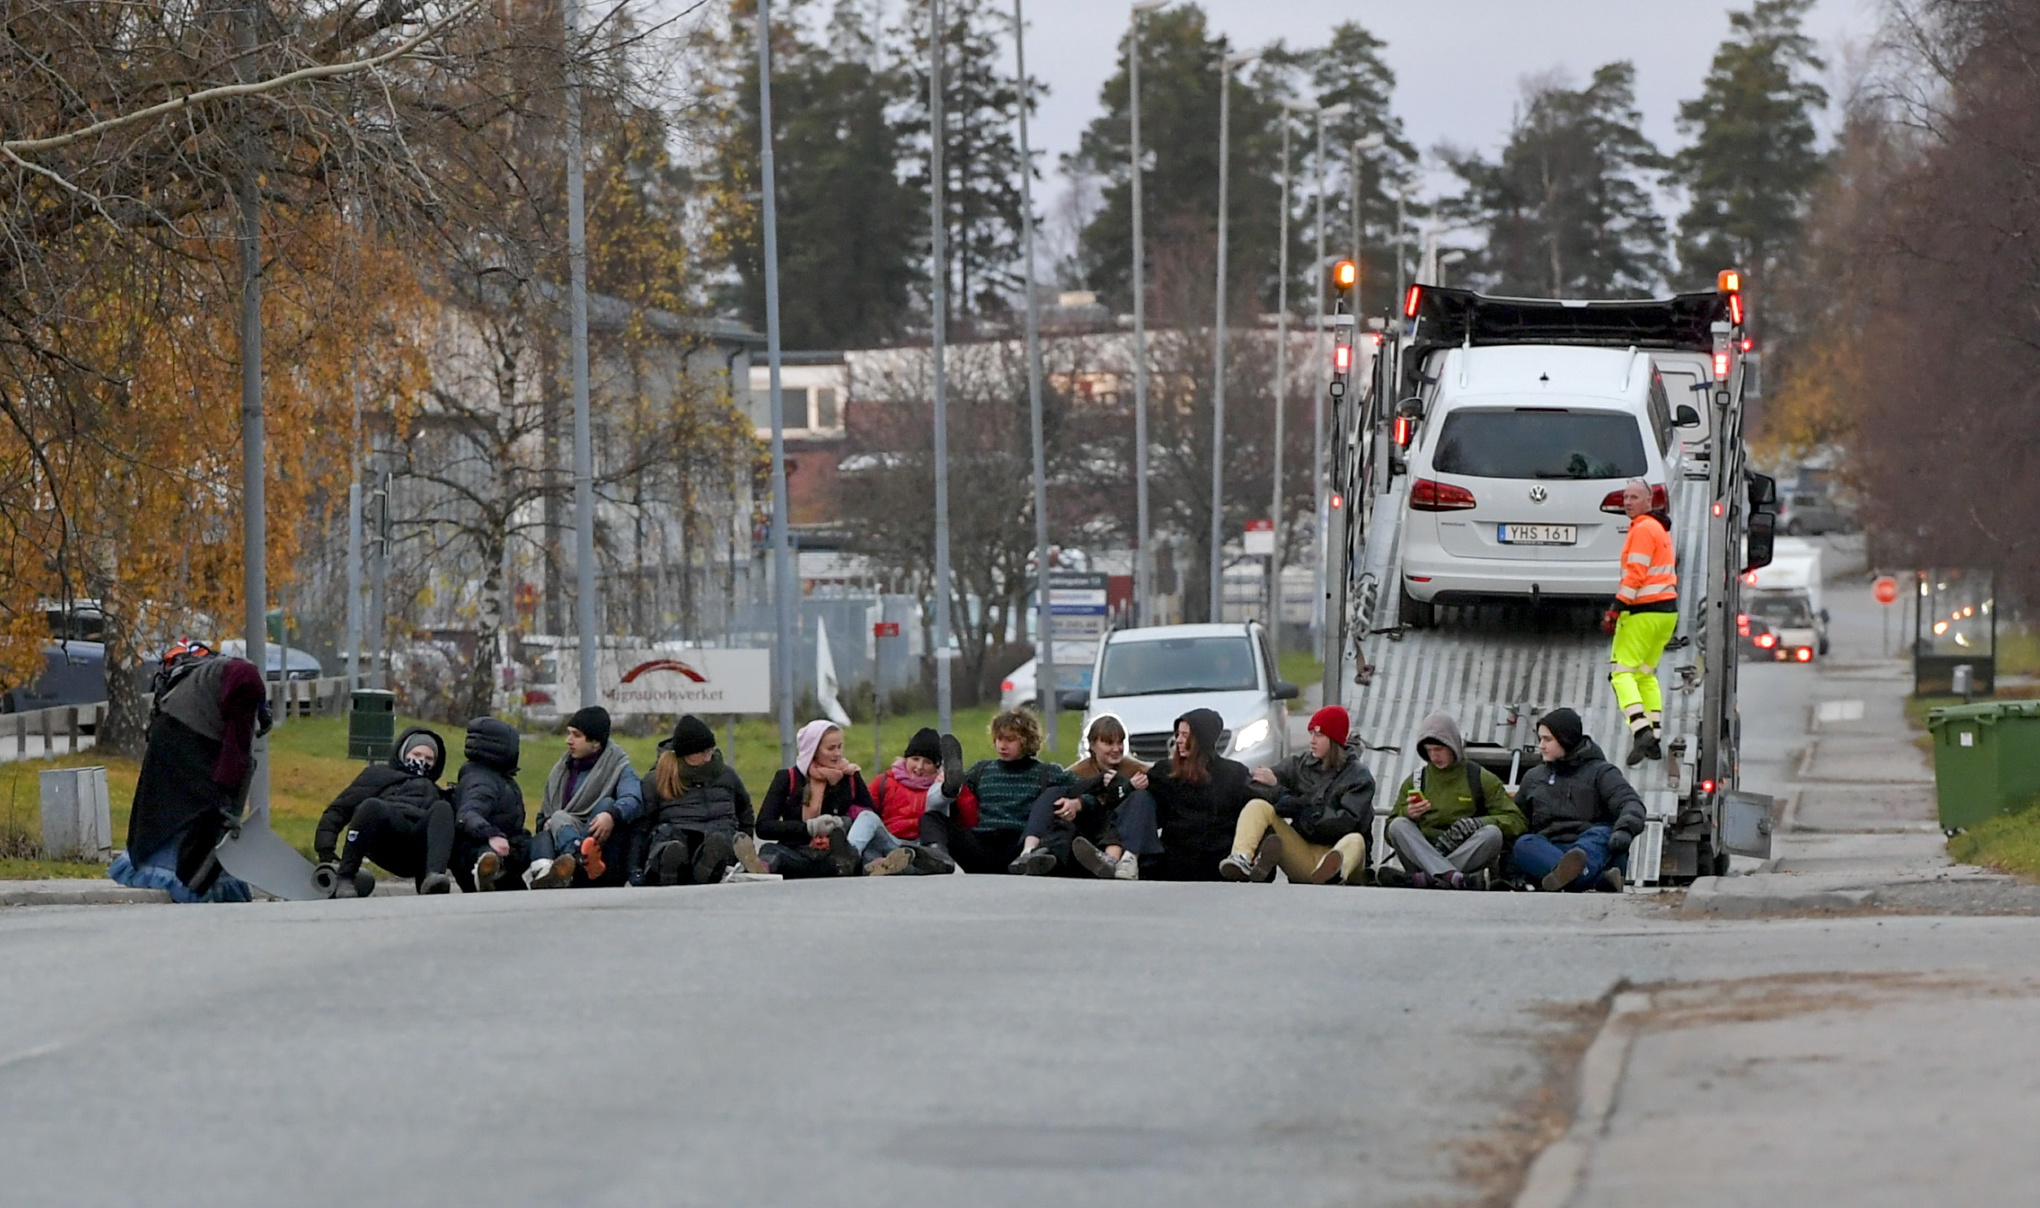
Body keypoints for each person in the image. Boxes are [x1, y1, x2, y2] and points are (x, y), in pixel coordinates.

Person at [108, 639, 262, 903]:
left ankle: (167, 871)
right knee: (197, 810)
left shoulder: (224, 678)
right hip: (186, 739)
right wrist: (228, 795)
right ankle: (185, 880)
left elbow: (235, 747)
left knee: (176, 809)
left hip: (172, 732)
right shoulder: (244, 688)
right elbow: (236, 748)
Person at [1229, 706, 1374, 885]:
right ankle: (1242, 858)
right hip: (1304, 856)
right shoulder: (1300, 765)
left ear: (1334, 739)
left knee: (1355, 840)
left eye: (1319, 735)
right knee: (1258, 806)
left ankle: (1335, 873)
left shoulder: (1359, 776)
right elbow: (1254, 783)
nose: (1312, 740)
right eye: (1311, 733)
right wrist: (1282, 795)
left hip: (1343, 855)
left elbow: (1345, 824)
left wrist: (1300, 807)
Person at [1380, 710, 1526, 889]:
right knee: (1399, 825)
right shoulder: (1417, 780)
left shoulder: (1479, 777)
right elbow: (1390, 831)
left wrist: (1477, 823)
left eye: (1439, 749)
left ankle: (1427, 879)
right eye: (1429, 751)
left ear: (1453, 746)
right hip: (1423, 852)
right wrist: (1409, 813)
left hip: (1464, 852)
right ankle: (1451, 877)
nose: (1434, 756)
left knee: (1492, 834)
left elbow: (1516, 820)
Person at [917, 709, 1072, 875]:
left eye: (1010, 740)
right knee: (931, 818)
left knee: (1061, 825)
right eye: (999, 739)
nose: (1002, 746)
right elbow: (960, 793)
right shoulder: (982, 769)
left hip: (1019, 845)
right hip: (982, 844)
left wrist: (1076, 802)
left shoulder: (1048, 772)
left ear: (1027, 741)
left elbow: (1082, 788)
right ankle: (939, 857)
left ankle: (1035, 861)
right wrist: (947, 783)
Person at [1511, 708, 1647, 893]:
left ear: (1566, 740)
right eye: (1540, 739)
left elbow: (1630, 803)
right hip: (1549, 849)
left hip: (1591, 847)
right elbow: (1516, 818)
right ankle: (1589, 879)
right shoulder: (1534, 778)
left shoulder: (1601, 772)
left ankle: (1572, 875)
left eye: (1548, 739)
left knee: (1602, 833)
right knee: (1524, 843)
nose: (1541, 745)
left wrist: (1625, 829)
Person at [313, 727, 454, 897]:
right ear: (403, 753)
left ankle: (433, 878)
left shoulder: (438, 792)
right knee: (372, 806)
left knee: (443, 808)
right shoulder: (377, 776)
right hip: (385, 839)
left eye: (428, 758)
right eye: (416, 755)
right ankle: (346, 878)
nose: (422, 761)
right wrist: (326, 851)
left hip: (417, 848)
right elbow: (338, 810)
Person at [1010, 714, 1149, 879]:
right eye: (1109, 743)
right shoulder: (1078, 772)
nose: (1116, 749)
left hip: (1115, 832)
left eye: (1120, 743)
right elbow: (1067, 792)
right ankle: (1031, 852)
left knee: (1134, 799)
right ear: (1092, 745)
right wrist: (1074, 803)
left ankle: (1111, 860)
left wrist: (1132, 785)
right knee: (1054, 795)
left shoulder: (1134, 769)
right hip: (1084, 830)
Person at [528, 706, 643, 889]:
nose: (569, 741)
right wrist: (548, 823)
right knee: (550, 825)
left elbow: (633, 799)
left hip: (600, 842)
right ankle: (575, 857)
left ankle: (571, 861)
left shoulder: (618, 766)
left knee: (606, 804)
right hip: (562, 835)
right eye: (569, 734)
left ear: (596, 742)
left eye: (576, 735)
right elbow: (543, 816)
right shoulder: (562, 769)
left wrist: (611, 815)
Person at [1139, 708, 1258, 882]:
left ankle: (1256, 862)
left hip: (1219, 863)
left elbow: (1249, 813)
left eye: (1185, 735)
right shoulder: (1165, 772)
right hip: (1173, 864)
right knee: (1139, 798)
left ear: (1201, 740)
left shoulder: (1233, 774)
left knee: (1259, 807)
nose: (1178, 740)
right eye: (1178, 734)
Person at [1606, 478, 1678, 766]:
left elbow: (1635, 573)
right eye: (1625, 497)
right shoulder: (1659, 529)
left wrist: (1615, 608)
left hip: (1643, 612)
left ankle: (1640, 729)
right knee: (1645, 675)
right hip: (1666, 613)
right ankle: (1654, 737)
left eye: (1634, 497)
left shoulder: (1642, 529)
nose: (1627, 502)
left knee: (1620, 673)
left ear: (1650, 501)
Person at [743, 718, 867, 879]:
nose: (837, 753)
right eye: (831, 748)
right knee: (771, 851)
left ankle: (874, 866)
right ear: (813, 750)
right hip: (796, 853)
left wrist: (843, 823)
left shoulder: (850, 776)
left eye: (839, 747)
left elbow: (869, 816)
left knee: (853, 856)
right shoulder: (788, 778)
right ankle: (760, 868)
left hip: (837, 856)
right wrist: (808, 828)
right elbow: (764, 826)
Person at [637, 715, 752, 886]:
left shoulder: (726, 775)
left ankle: (705, 870)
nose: (707, 757)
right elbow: (642, 825)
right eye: (700, 753)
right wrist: (635, 868)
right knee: (669, 839)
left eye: (710, 750)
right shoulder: (659, 779)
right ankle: (668, 869)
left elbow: (745, 812)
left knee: (719, 839)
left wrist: (744, 848)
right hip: (679, 834)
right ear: (685, 754)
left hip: (717, 836)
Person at [846, 727, 957, 876]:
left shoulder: (936, 789)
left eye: (927, 762)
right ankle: (848, 859)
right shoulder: (885, 781)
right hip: (888, 841)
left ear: (936, 767)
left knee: (918, 860)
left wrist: (948, 786)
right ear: (906, 759)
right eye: (915, 759)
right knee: (867, 817)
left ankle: (889, 866)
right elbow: (862, 807)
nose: (919, 767)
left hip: (919, 848)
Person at [451, 718, 530, 892]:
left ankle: (544, 867)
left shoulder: (498, 777)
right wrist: (491, 835)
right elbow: (468, 814)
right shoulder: (482, 781)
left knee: (540, 840)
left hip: (510, 851)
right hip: (479, 853)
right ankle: (487, 870)